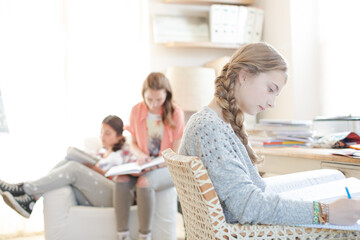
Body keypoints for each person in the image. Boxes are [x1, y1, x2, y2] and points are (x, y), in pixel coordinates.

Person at [179, 42, 360, 227]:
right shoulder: (208, 129)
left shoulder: (217, 125)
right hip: (245, 232)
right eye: (270, 89)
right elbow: (248, 206)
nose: (272, 103)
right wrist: (325, 213)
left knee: (331, 176)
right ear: (244, 76)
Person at [0, 115, 136, 218]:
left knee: (73, 168)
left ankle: (24, 189)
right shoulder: (100, 152)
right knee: (68, 162)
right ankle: (32, 197)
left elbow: (128, 176)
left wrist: (96, 169)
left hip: (119, 195)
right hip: (95, 193)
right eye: (101, 132)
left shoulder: (126, 151)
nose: (102, 136)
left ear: (119, 136)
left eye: (107, 133)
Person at [114, 72, 185, 240]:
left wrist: (157, 164)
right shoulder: (136, 110)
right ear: (143, 94)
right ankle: (122, 235)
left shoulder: (176, 112)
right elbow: (133, 143)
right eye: (149, 99)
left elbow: (175, 153)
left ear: (166, 95)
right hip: (144, 164)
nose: (153, 104)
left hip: (166, 167)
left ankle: (144, 236)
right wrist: (141, 155)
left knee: (144, 183)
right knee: (121, 180)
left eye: (158, 100)